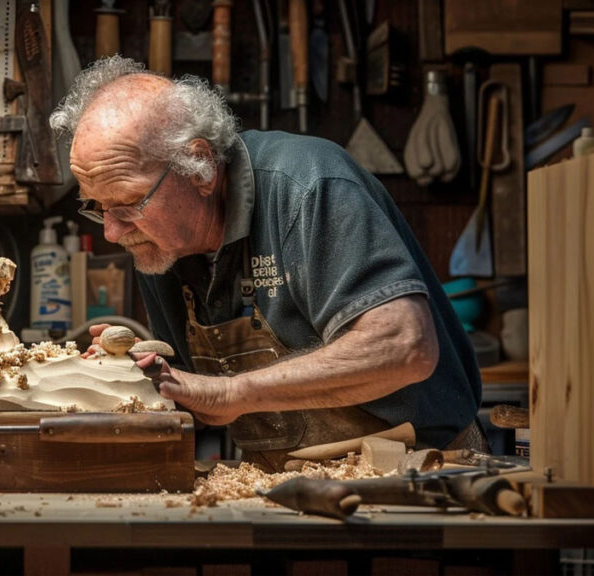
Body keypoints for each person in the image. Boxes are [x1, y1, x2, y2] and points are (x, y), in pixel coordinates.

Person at [49, 56, 486, 471]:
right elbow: (199, 407)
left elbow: (405, 347)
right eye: (97, 206)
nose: (112, 231)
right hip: (280, 482)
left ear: (199, 166)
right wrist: (135, 380)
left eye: (127, 202)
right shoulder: (158, 246)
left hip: (421, 472)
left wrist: (230, 393)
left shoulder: (308, 185)